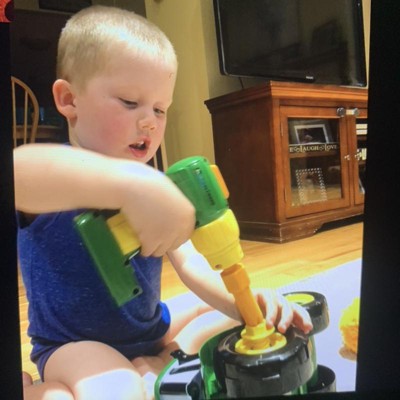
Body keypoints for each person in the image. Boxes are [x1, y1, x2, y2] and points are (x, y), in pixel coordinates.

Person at [14, 6, 312, 400]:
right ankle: (46, 389)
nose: (150, 122)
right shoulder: (57, 177)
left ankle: (151, 364)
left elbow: (191, 265)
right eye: (129, 102)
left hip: (152, 331)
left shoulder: (157, 193)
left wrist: (244, 302)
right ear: (69, 99)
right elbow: (18, 171)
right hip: (74, 346)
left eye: (159, 109)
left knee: (231, 322)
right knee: (121, 391)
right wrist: (129, 185)